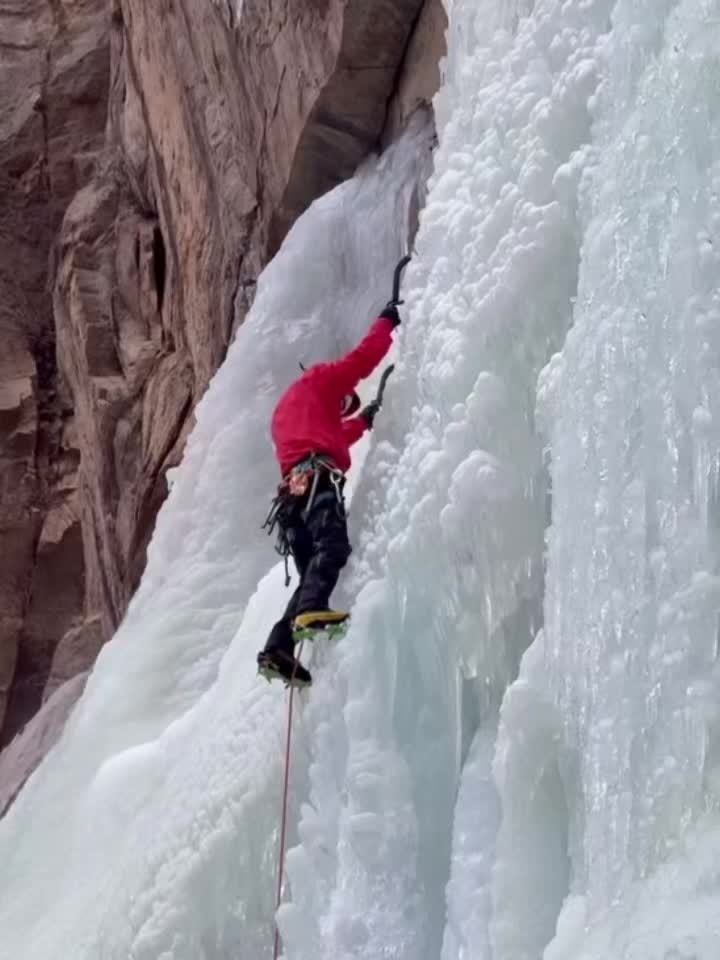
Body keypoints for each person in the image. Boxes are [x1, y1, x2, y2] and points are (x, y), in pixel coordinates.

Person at [257, 302, 401, 686]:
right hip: (315, 483)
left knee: (310, 573)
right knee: (333, 546)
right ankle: (313, 611)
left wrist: (364, 422)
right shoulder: (321, 380)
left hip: (291, 501)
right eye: (344, 401)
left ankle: (278, 649)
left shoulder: (290, 414)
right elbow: (360, 361)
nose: (344, 405)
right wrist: (386, 322)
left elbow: (333, 437)